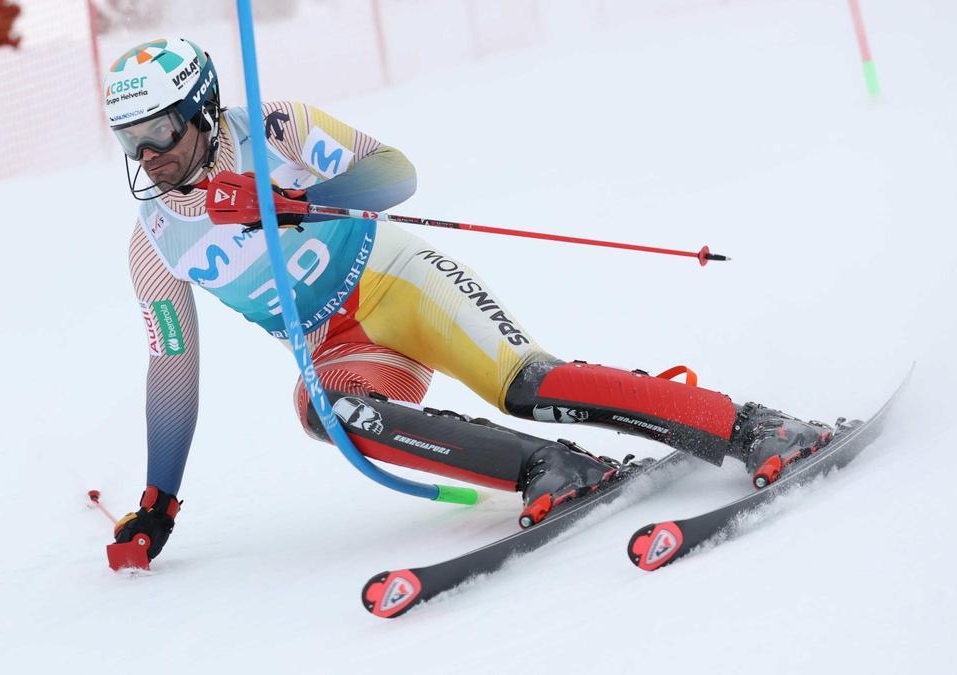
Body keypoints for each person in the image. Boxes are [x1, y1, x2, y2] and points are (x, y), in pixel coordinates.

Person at [102, 38, 833, 569]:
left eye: (159, 131)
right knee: (327, 412)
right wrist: (159, 501)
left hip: (398, 280)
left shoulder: (273, 128)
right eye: (130, 140)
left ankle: (753, 426)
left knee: (526, 383)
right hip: (342, 345)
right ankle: (550, 468)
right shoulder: (155, 241)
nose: (147, 155)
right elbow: (173, 366)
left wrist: (294, 202)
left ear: (200, 113)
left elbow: (393, 174)